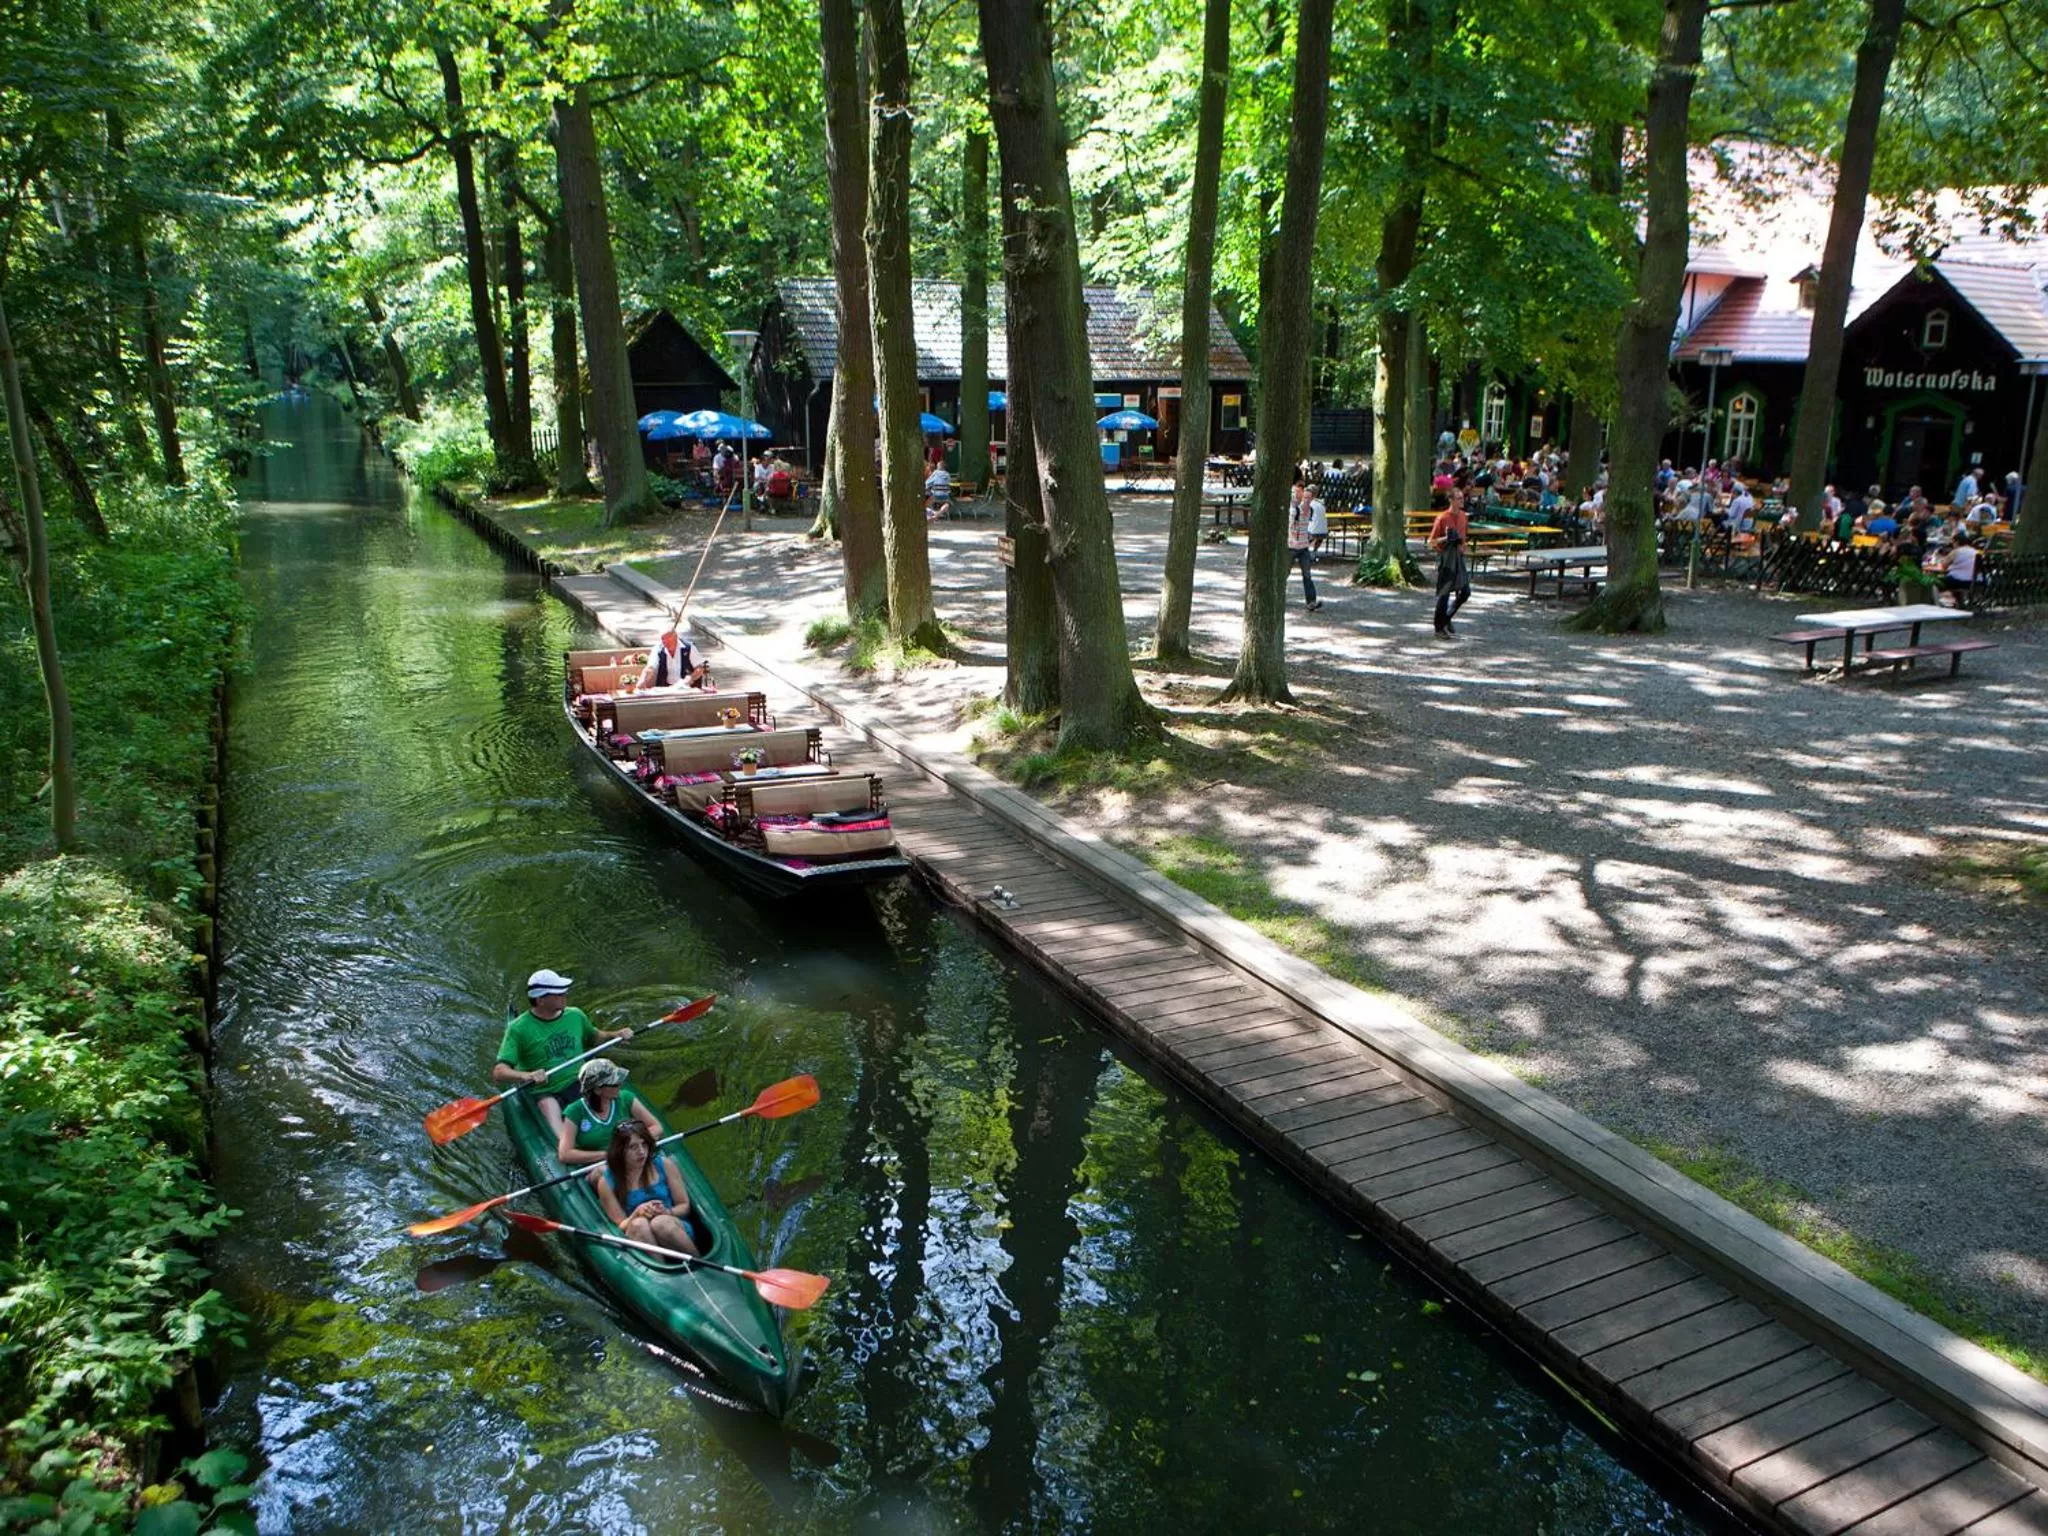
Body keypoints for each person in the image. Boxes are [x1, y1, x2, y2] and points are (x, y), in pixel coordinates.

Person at [493, 970, 635, 1140]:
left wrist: (615, 1034)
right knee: (548, 1105)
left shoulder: (575, 1015)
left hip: (581, 1081)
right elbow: (499, 1072)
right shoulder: (518, 1029)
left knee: (610, 1095)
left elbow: (595, 1037)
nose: (564, 995)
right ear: (540, 999)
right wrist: (527, 1075)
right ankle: (567, 1148)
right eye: (558, 993)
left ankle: (628, 1134)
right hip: (548, 1090)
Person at [595, 1121, 699, 1257]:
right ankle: (662, 1271)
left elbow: (684, 1206)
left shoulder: (664, 1165)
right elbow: (621, 1225)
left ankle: (698, 1262)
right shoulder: (607, 1183)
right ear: (620, 1151)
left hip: (673, 1227)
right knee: (639, 1224)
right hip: (640, 1235)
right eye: (633, 1147)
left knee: (660, 1222)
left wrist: (667, 1211)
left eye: (644, 1144)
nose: (641, 1152)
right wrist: (637, 1213)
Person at [556, 1058, 666, 1168]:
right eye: (614, 1084)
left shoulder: (626, 1098)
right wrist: (609, 1154)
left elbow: (656, 1127)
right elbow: (565, 1154)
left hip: (632, 1155)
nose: (620, 1085)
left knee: (665, 1164)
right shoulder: (574, 1111)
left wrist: (634, 1144)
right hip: (602, 1165)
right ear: (597, 1090)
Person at [1429, 475, 1471, 637]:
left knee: (1465, 591)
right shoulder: (1442, 518)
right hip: (1445, 558)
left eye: (1462, 498)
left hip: (1458, 557)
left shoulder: (1463, 517)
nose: (1462, 501)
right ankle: (1439, 628)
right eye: (1459, 499)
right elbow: (1431, 542)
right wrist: (1446, 538)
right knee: (1444, 593)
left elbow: (1464, 537)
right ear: (1451, 500)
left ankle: (1446, 617)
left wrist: (1462, 546)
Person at [1286, 477, 1322, 612]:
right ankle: (1277, 596)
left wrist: (1310, 537)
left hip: (1304, 548)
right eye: (1305, 498)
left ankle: (1311, 601)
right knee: (1284, 573)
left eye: (1309, 498)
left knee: (1307, 575)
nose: (1307, 500)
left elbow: (1310, 526)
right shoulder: (1294, 510)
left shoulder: (1310, 511)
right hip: (1291, 547)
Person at [638, 623, 707, 690]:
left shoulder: (689, 647)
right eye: (664, 641)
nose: (666, 644)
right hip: (665, 689)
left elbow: (699, 668)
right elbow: (650, 668)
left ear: (676, 637)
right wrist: (643, 680)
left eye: (669, 641)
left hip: (687, 689)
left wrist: (690, 678)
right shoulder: (658, 649)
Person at [1940, 534, 1979, 603]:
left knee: (1935, 582)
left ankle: (1937, 604)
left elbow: (1943, 566)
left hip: (1959, 580)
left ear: (1957, 542)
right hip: (1976, 581)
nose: (1952, 545)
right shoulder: (1976, 551)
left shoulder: (1956, 551)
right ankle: (1960, 602)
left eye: (1953, 542)